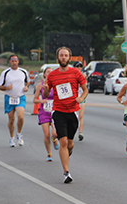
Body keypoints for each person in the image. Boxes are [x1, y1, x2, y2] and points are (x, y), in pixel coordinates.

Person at [43, 47, 87, 183]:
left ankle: (69, 150)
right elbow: (46, 94)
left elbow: (85, 89)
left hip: (72, 111)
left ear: (69, 58)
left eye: (66, 55)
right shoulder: (52, 75)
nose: (63, 57)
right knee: (62, 141)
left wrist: (81, 98)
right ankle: (66, 172)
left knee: (70, 143)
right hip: (59, 111)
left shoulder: (76, 73)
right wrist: (45, 91)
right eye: (61, 55)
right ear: (58, 58)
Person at [0, 55, 30, 147]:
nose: (14, 62)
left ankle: (19, 134)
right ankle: (12, 138)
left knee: (20, 117)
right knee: (11, 119)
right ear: (10, 62)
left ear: (18, 62)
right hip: (9, 98)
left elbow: (28, 81)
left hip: (20, 97)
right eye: (12, 61)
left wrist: (26, 87)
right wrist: (7, 87)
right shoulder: (6, 72)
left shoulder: (23, 71)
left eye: (16, 61)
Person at [33, 66, 57, 161]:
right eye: (48, 72)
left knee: (55, 133)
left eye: (51, 72)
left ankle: (54, 139)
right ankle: (49, 154)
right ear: (44, 74)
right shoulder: (40, 85)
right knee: (46, 134)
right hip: (44, 112)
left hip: (54, 111)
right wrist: (41, 101)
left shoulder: (56, 85)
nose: (49, 74)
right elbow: (34, 100)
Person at [73, 61, 86, 141]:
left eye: (80, 66)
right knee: (73, 117)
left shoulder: (83, 75)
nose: (79, 68)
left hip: (81, 98)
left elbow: (85, 87)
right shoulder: (71, 75)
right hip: (73, 98)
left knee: (80, 116)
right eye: (77, 66)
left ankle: (80, 133)